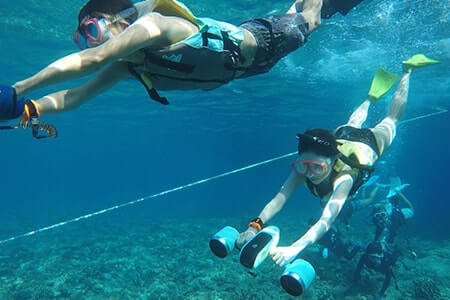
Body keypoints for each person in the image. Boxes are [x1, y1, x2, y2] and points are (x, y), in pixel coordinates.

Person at [0, 0, 365, 137]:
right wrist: (29, 109)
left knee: (310, 19)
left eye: (93, 30)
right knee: (298, 13)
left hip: (263, 42)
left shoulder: (156, 24)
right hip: (249, 69)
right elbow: (73, 96)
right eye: (84, 38)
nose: (94, 43)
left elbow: (91, 61)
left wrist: (17, 89)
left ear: (121, 20)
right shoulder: (131, 65)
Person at [234, 54, 439, 268]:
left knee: (392, 120)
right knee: (352, 122)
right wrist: (254, 227)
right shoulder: (303, 169)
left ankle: (407, 71)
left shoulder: (345, 178)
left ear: (332, 160)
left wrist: (295, 247)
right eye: (304, 164)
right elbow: (279, 199)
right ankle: (370, 98)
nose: (309, 172)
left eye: (317, 167)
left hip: (367, 144)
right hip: (342, 135)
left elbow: (327, 219)